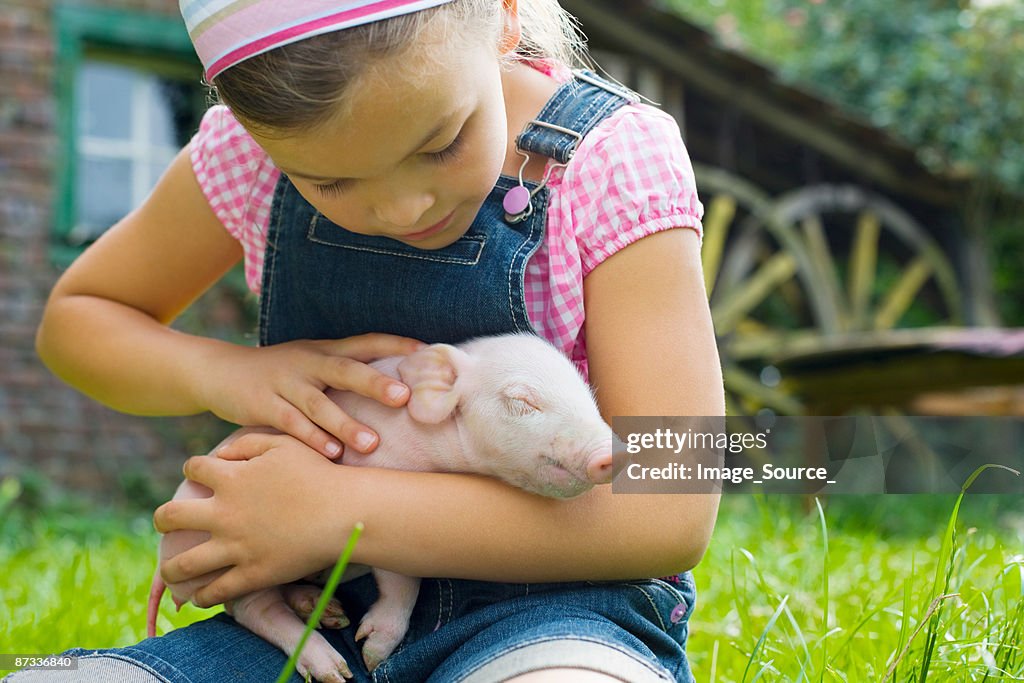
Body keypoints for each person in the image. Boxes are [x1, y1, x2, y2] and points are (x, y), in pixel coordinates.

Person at [21, 0, 724, 680]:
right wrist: (229, 373)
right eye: (330, 180)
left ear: (506, 15)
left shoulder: (608, 157)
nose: (401, 208)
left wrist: (332, 511)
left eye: (440, 143)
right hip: (321, 615)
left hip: (559, 614)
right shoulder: (249, 156)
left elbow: (671, 503)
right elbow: (80, 319)